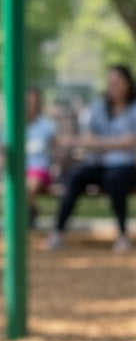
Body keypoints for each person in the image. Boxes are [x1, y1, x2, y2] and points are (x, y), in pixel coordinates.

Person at [45, 64, 136, 252]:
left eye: (118, 82)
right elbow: (86, 139)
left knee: (115, 179)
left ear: (128, 84)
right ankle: (58, 233)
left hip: (127, 167)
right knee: (75, 177)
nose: (113, 86)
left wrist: (100, 143)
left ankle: (122, 234)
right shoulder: (98, 108)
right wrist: (115, 142)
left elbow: (131, 143)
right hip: (99, 164)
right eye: (110, 82)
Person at [24, 87, 59, 229]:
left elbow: (57, 148)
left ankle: (28, 213)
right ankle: (29, 210)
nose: (33, 106)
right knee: (16, 183)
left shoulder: (47, 126)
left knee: (30, 184)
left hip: (40, 170)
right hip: (21, 170)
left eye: (36, 103)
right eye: (29, 103)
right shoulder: (14, 125)